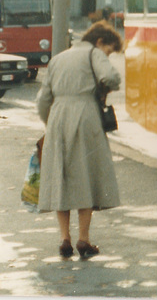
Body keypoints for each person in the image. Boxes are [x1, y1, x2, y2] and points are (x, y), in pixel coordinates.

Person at [36, 21, 123, 260]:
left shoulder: (58, 59)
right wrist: (104, 86)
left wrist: (50, 124)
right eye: (109, 50)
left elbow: (43, 100)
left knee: (61, 177)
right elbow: (111, 77)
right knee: (86, 175)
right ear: (100, 42)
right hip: (85, 115)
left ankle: (65, 238)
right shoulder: (94, 53)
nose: (108, 55)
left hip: (57, 116)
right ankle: (83, 238)